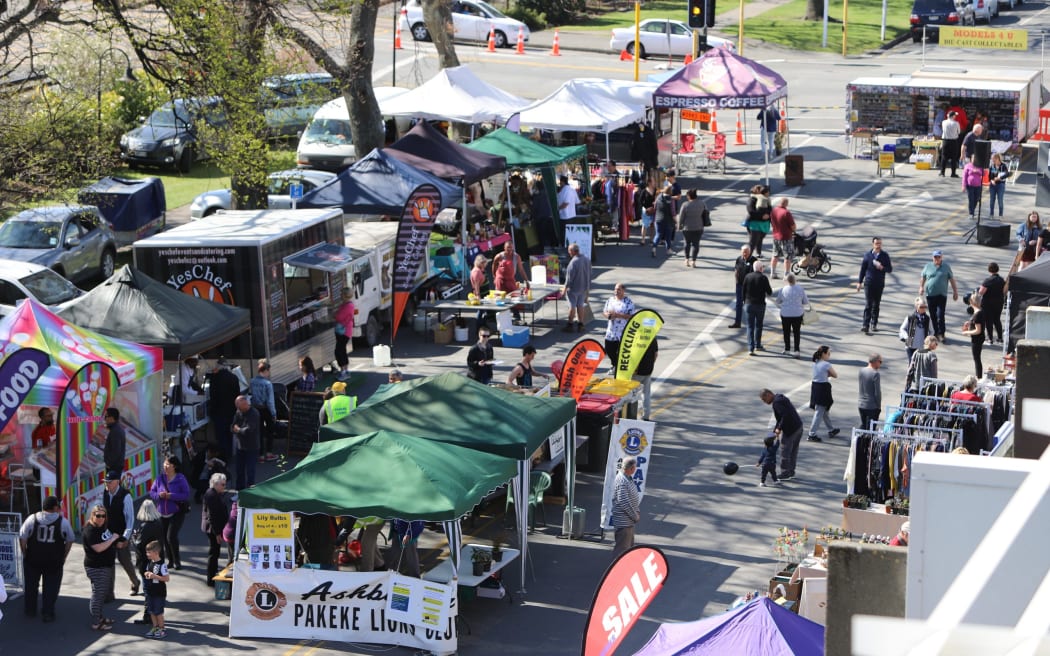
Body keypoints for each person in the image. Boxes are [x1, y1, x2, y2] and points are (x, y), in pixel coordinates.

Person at [19, 495, 74, 623]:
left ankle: (30, 610)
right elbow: (70, 539)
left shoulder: (31, 519)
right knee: (51, 587)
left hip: (33, 559)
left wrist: (25, 553)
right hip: (53, 561)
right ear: (55, 507)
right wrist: (64, 556)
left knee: (31, 586)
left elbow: (22, 537)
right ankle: (47, 613)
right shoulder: (63, 522)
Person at [82, 503, 120, 631]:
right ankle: (96, 622)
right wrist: (113, 539)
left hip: (105, 565)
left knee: (102, 593)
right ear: (92, 515)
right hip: (96, 567)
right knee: (98, 594)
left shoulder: (102, 526)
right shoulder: (90, 530)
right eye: (98, 515)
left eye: (103, 516)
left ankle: (99, 617)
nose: (101, 518)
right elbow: (98, 548)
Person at [149, 455, 191, 570]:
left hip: (177, 512)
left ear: (174, 466)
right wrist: (159, 495)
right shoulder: (160, 478)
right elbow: (152, 492)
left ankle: (177, 561)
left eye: (168, 464)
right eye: (165, 464)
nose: (165, 466)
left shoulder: (180, 478)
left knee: (171, 537)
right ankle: (170, 561)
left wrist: (171, 496)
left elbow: (186, 495)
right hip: (162, 513)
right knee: (163, 538)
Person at [102, 471, 139, 599]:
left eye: (109, 482)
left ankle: (135, 582)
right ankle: (109, 593)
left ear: (117, 482)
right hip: (108, 535)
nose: (107, 484)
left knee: (125, 561)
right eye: (106, 482)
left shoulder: (125, 496)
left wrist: (125, 538)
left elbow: (130, 519)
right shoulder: (105, 493)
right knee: (109, 563)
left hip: (121, 534)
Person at [130, 499, 164, 626]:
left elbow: (139, 545)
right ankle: (154, 614)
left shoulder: (145, 526)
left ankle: (148, 616)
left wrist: (134, 537)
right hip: (157, 560)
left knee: (148, 590)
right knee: (155, 589)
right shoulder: (158, 523)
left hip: (146, 563)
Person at [760, 388, 804, 480]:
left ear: (768, 395)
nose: (764, 402)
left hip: (791, 430)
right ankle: (791, 471)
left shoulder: (777, 403)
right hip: (798, 426)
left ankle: (785, 473)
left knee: (785, 452)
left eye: (764, 399)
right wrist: (776, 429)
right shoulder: (780, 398)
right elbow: (781, 417)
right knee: (793, 451)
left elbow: (785, 416)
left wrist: (779, 428)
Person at [919, 250, 958, 342]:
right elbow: (923, 277)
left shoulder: (946, 267)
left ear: (941, 257)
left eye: (938, 257)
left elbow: (952, 279)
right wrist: (921, 287)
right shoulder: (928, 266)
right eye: (935, 257)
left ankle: (942, 333)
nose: (937, 259)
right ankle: (935, 332)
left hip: (942, 295)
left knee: (940, 315)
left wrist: (955, 291)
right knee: (933, 315)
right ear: (932, 257)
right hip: (930, 295)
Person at [856, 237, 892, 335]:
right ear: (873, 244)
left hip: (879, 283)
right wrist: (859, 282)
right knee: (868, 304)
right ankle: (865, 325)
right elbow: (863, 269)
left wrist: (882, 267)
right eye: (876, 243)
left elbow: (889, 269)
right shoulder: (867, 255)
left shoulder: (884, 256)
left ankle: (874, 323)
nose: (878, 245)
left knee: (876, 304)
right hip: (869, 283)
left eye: (880, 243)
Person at [207, 357, 240, 461]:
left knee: (221, 436)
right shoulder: (234, 378)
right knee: (229, 433)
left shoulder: (214, 378)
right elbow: (237, 395)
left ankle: (223, 457)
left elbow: (212, 396)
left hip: (218, 411)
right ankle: (229, 455)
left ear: (219, 366)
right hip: (231, 411)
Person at [807, 345, 840, 443]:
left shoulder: (815, 363)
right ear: (824, 354)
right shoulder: (826, 364)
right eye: (828, 353)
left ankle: (831, 429)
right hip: (823, 388)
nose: (829, 355)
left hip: (815, 387)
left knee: (823, 410)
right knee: (819, 411)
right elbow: (835, 375)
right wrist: (828, 374)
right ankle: (811, 434)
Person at [202, 472, 229, 587]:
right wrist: (218, 533)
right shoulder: (212, 495)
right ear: (215, 484)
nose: (224, 486)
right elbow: (212, 516)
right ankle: (210, 578)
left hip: (213, 528)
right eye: (222, 484)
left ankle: (211, 575)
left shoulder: (214, 494)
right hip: (213, 530)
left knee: (214, 552)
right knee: (214, 553)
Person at [610, 456, 641, 558]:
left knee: (628, 549)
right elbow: (624, 502)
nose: (635, 469)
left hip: (628, 522)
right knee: (621, 551)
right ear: (631, 468)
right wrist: (635, 516)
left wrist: (637, 511)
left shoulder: (627, 478)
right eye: (635, 467)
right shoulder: (622, 481)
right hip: (624, 523)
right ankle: (616, 571)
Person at [492, 240, 529, 324]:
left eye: (511, 248)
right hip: (500, 281)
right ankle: (501, 319)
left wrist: (527, 280)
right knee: (501, 300)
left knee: (514, 299)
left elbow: (521, 269)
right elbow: (493, 265)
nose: (510, 250)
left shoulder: (516, 257)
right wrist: (495, 276)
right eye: (508, 248)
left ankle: (517, 317)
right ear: (504, 248)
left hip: (510, 280)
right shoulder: (499, 256)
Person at [249, 360, 278, 463]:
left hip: (256, 408)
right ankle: (269, 453)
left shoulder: (252, 381)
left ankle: (260, 455)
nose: (269, 373)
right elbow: (270, 401)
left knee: (259, 432)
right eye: (268, 371)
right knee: (270, 430)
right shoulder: (267, 383)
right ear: (265, 370)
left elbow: (251, 395)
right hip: (266, 409)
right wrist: (274, 413)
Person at [742, 261, 773, 355]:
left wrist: (744, 301)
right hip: (760, 305)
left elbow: (743, 290)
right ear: (760, 268)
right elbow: (769, 291)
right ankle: (757, 344)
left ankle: (750, 347)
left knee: (750, 326)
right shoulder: (763, 278)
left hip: (749, 304)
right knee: (759, 325)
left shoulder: (748, 276)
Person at [774, 272, 808, 357]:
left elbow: (777, 301)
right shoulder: (800, 289)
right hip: (797, 314)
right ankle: (797, 350)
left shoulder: (783, 290)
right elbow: (805, 302)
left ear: (787, 281)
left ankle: (787, 349)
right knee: (796, 332)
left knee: (786, 332)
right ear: (795, 280)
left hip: (785, 314)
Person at [142, 540, 171, 639]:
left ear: (156, 552)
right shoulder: (150, 563)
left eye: (149, 552)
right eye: (147, 552)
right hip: (150, 592)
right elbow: (147, 572)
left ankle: (162, 629)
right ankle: (155, 627)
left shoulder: (162, 565)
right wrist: (147, 574)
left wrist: (155, 576)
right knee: (151, 611)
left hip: (159, 592)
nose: (147, 554)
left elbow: (167, 579)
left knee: (158, 612)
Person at [231, 396, 260, 490]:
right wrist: (236, 429)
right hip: (240, 446)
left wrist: (238, 430)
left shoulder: (254, 414)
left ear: (245, 404)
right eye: (237, 407)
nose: (238, 409)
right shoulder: (238, 412)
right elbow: (232, 426)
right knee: (239, 470)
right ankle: (239, 491)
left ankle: (250, 492)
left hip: (251, 447)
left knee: (250, 471)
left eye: (239, 407)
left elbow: (249, 430)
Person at [603, 283, 636, 366]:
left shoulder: (628, 302)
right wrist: (608, 315)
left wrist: (618, 315)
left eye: (618, 289)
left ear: (623, 291)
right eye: (615, 289)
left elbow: (632, 316)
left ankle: (618, 367)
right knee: (608, 349)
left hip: (622, 332)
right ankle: (614, 364)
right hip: (611, 331)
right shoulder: (610, 300)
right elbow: (604, 311)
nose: (616, 291)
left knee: (621, 352)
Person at [561, 243, 591, 333]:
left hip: (573, 289)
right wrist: (587, 289)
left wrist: (564, 289)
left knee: (572, 306)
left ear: (573, 251)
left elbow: (569, 279)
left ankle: (570, 324)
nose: (568, 253)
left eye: (569, 251)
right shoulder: (586, 259)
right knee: (580, 305)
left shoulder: (573, 263)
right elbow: (589, 274)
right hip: (583, 288)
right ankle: (581, 324)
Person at [677, 188, 708, 268]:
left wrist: (680, 226)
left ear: (689, 196)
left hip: (687, 228)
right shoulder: (702, 203)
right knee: (696, 244)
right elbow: (705, 213)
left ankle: (687, 259)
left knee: (687, 243)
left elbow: (681, 217)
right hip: (698, 227)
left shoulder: (685, 205)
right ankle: (693, 261)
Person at [730, 244, 758, 329]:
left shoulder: (754, 261)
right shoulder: (739, 259)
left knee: (749, 305)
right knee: (739, 304)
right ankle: (737, 322)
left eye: (746, 252)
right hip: (740, 286)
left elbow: (756, 274)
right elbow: (736, 270)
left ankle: (752, 323)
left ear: (749, 252)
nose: (744, 254)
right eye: (743, 252)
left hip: (749, 287)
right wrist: (737, 281)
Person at [768, 197, 796, 280]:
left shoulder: (773, 211)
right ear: (786, 204)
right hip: (786, 237)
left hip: (776, 236)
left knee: (775, 255)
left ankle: (772, 273)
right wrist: (793, 231)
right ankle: (786, 274)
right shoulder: (786, 213)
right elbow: (793, 226)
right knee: (787, 257)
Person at [978, 262, 1006, 345]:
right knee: (997, 319)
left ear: (989, 270)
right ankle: (1000, 338)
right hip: (999, 302)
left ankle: (990, 339)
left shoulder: (988, 280)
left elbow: (981, 292)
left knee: (988, 321)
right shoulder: (1002, 280)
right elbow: (1005, 291)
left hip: (988, 303)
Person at [633, 338, 658, 421]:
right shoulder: (652, 337)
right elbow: (655, 354)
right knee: (646, 394)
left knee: (632, 394)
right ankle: (646, 415)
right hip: (648, 370)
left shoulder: (635, 337)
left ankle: (631, 415)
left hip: (636, 372)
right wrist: (651, 365)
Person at [333, 288, 355, 380]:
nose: (340, 295)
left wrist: (335, 314)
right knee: (341, 351)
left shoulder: (348, 306)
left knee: (339, 351)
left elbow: (339, 317)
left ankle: (343, 371)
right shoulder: (347, 304)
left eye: (342, 293)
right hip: (345, 331)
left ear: (345, 295)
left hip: (344, 332)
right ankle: (345, 370)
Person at [961, 293, 985, 377]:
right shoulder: (978, 312)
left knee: (977, 359)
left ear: (972, 302)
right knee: (977, 358)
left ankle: (979, 377)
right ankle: (979, 376)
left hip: (977, 339)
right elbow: (976, 323)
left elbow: (978, 330)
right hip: (978, 338)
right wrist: (970, 323)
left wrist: (966, 332)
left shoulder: (977, 314)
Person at [745, 185, 772, 257]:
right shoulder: (752, 199)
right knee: (753, 241)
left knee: (760, 239)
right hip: (754, 224)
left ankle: (758, 253)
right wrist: (762, 216)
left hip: (764, 224)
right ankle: (748, 256)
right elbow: (751, 211)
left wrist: (768, 215)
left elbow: (770, 209)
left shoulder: (766, 199)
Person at [858, 353, 883, 430]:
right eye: (880, 362)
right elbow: (877, 392)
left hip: (861, 404)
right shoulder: (875, 374)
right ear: (875, 362)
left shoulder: (861, 371)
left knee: (864, 426)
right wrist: (878, 405)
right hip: (872, 406)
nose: (880, 364)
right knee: (870, 430)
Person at [652, 184, 676, 258]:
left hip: (658, 219)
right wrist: (676, 221)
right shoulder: (671, 200)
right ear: (670, 192)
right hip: (668, 220)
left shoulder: (658, 197)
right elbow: (673, 212)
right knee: (668, 236)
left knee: (658, 234)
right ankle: (668, 249)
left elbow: (655, 207)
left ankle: (654, 248)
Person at [470, 254, 493, 327]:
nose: (485, 265)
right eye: (484, 263)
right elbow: (476, 286)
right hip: (481, 294)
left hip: (485, 294)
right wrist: (478, 296)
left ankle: (484, 325)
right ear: (481, 263)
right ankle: (478, 327)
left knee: (484, 310)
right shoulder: (476, 272)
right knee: (480, 311)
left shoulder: (480, 269)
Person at [102, 407, 125, 478]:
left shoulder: (115, 431)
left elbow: (116, 451)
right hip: (115, 466)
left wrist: (109, 464)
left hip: (114, 467)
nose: (105, 419)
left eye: (106, 416)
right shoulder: (116, 429)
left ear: (112, 418)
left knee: (111, 488)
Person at [986, 153, 1010, 218]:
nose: (993, 161)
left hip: (1000, 185)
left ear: (998, 159)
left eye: (994, 159)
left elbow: (1007, 174)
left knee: (1000, 200)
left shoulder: (1003, 166)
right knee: (992, 200)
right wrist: (992, 181)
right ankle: (991, 214)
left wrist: (1000, 178)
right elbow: (989, 177)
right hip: (993, 185)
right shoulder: (992, 166)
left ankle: (1000, 215)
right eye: (992, 160)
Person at [939, 111, 961, 177]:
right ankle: (953, 173)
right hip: (954, 141)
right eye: (955, 115)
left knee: (944, 157)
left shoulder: (944, 122)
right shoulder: (956, 123)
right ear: (953, 116)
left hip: (945, 141)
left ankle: (942, 172)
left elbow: (943, 130)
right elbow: (959, 132)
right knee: (954, 158)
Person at [962, 155, 984, 220]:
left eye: (975, 158)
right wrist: (963, 186)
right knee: (971, 199)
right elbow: (964, 177)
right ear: (971, 159)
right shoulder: (967, 166)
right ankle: (971, 213)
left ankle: (972, 209)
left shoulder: (979, 165)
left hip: (978, 186)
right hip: (970, 186)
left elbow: (983, 174)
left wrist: (978, 171)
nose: (974, 160)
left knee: (976, 199)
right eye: (973, 158)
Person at [635, 177, 656, 246]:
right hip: (646, 210)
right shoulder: (644, 191)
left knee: (652, 224)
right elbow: (640, 200)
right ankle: (643, 239)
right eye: (653, 181)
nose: (654, 182)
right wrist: (645, 207)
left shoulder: (655, 190)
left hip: (653, 209)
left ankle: (652, 239)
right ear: (649, 183)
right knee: (644, 224)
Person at [222, 500, 239, 566]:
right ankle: (229, 571)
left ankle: (229, 565)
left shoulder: (235, 506)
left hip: (227, 533)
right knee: (233, 557)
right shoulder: (240, 512)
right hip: (232, 535)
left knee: (231, 555)